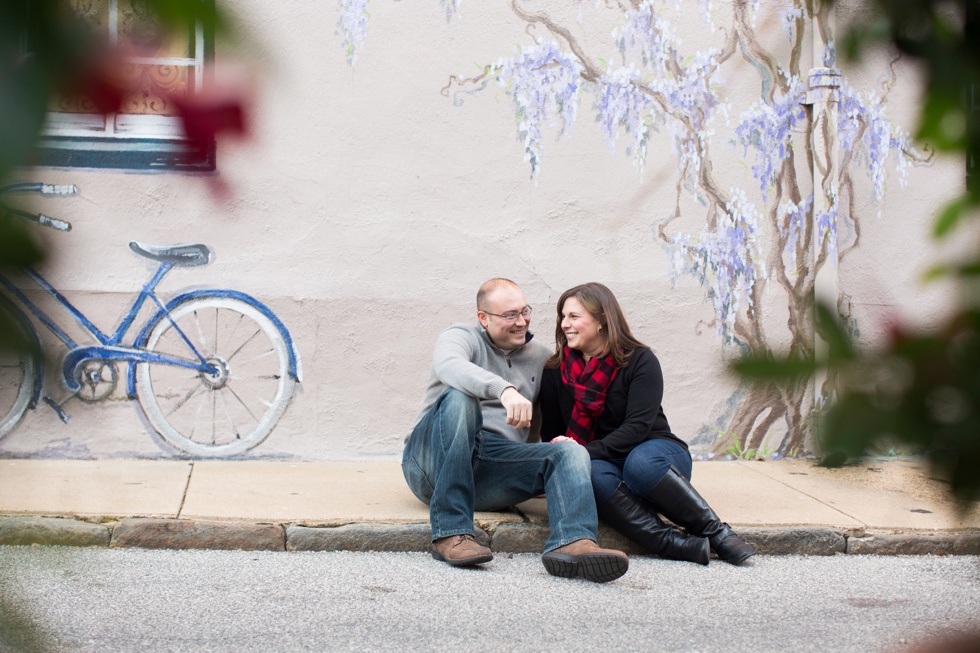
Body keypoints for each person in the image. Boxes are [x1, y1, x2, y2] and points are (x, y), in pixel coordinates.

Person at [402, 278, 629, 582]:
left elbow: (540, 428)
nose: (521, 322)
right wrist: (504, 390)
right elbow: (449, 366)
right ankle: (452, 534)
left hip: (489, 469)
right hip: (431, 463)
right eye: (510, 315)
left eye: (525, 311)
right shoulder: (460, 337)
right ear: (483, 318)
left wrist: (550, 470)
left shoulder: (541, 358)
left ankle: (573, 542)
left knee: (568, 450)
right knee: (461, 396)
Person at [539, 282, 755, 566]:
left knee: (640, 463)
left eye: (574, 316)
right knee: (588, 474)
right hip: (606, 467)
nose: (565, 324)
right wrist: (572, 456)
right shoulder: (556, 371)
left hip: (657, 456)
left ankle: (718, 534)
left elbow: (638, 428)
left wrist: (582, 452)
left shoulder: (639, 360)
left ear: (603, 319)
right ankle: (675, 545)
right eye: (562, 316)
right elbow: (552, 432)